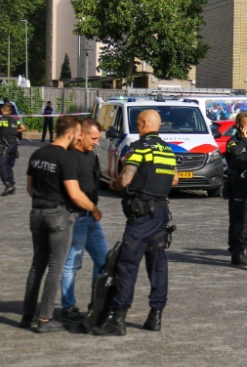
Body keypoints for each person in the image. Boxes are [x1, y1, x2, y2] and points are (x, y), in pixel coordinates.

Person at [94, 109, 178, 336]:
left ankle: (118, 319)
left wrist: (115, 184)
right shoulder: (168, 150)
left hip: (141, 213)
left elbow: (126, 177)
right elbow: (175, 178)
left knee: (127, 264)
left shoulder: (139, 147)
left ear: (142, 124)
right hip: (160, 212)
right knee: (158, 263)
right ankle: (155, 316)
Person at [21, 115, 101, 333]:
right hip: (58, 215)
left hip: (36, 212)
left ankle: (27, 315)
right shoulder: (65, 158)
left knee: (37, 266)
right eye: (77, 133)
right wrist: (93, 208)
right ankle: (45, 319)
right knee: (56, 267)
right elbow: (75, 194)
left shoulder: (37, 154)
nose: (79, 137)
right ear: (70, 134)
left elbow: (29, 188)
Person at [59, 118, 110, 324]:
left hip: (91, 218)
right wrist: (94, 208)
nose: (96, 142)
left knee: (104, 261)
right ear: (81, 135)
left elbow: (94, 181)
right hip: (77, 216)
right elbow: (74, 192)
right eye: (93, 138)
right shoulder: (70, 157)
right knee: (72, 263)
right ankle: (68, 306)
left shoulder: (91, 156)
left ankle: (96, 303)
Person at [224, 111, 247, 267]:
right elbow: (235, 153)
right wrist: (243, 139)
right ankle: (236, 252)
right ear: (239, 126)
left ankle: (244, 249)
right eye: (246, 125)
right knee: (238, 220)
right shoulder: (233, 142)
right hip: (237, 186)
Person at [0, 103, 25, 196]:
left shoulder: (1, 120)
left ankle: (7, 184)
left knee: (1, 166)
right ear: (10, 112)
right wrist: (14, 131)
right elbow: (23, 128)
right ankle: (12, 185)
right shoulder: (15, 121)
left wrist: (0, 133)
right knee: (9, 166)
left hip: (4, 144)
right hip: (14, 145)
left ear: (2, 111)